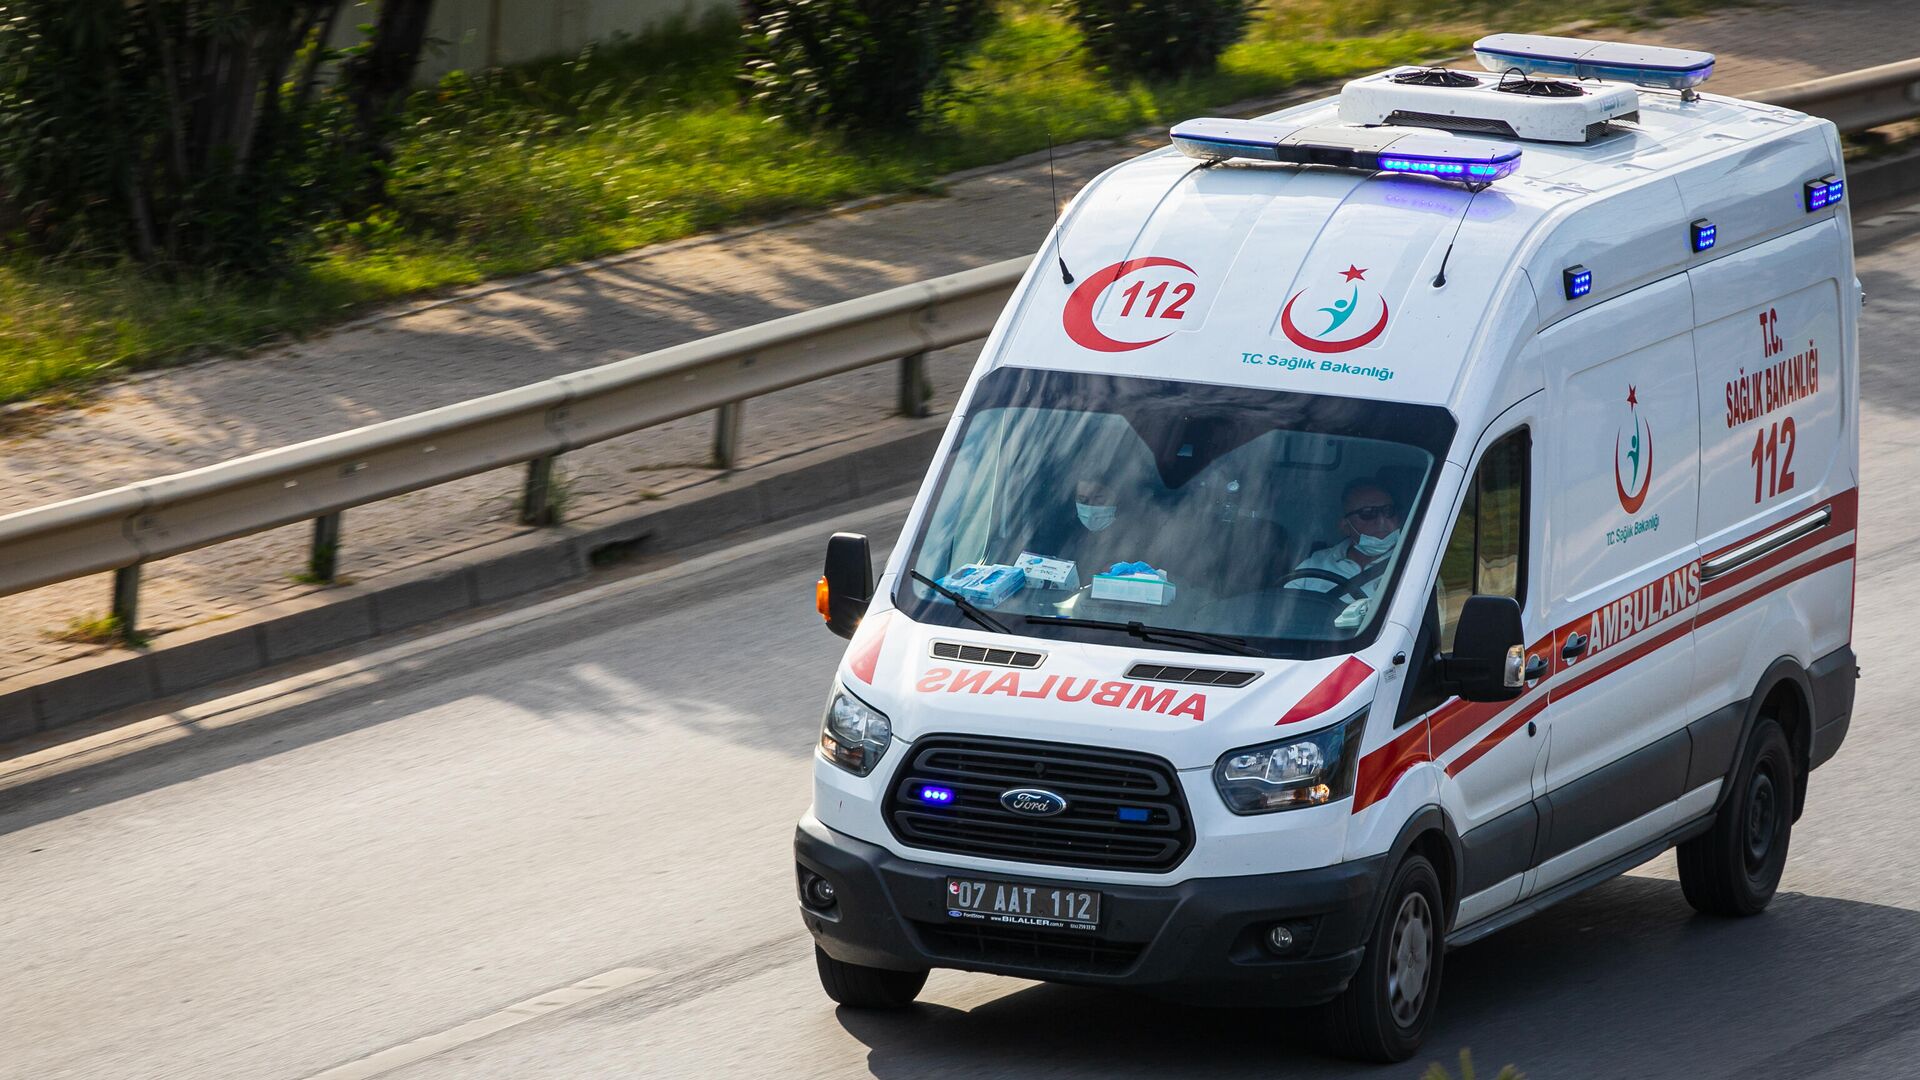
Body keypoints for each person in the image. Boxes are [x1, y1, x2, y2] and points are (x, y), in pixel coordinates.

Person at [1285, 478, 1402, 597]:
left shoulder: (1409, 562)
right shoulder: (1317, 563)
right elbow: (1286, 601)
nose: (1381, 521)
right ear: (1345, 526)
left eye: (1388, 511)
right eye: (1367, 513)